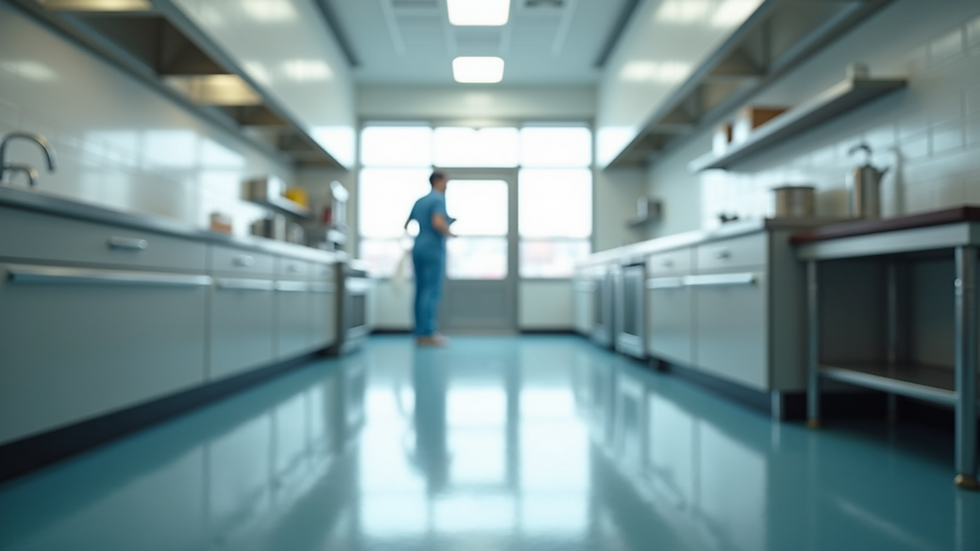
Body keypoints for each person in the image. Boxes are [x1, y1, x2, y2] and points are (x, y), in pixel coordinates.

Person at [406, 172, 455, 346]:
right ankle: (428, 333)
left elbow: (407, 224)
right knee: (431, 290)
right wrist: (450, 232)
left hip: (418, 246)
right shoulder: (438, 199)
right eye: (446, 181)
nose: (447, 185)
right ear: (438, 181)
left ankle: (419, 332)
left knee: (420, 290)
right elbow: (438, 222)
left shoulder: (419, 201)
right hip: (433, 248)